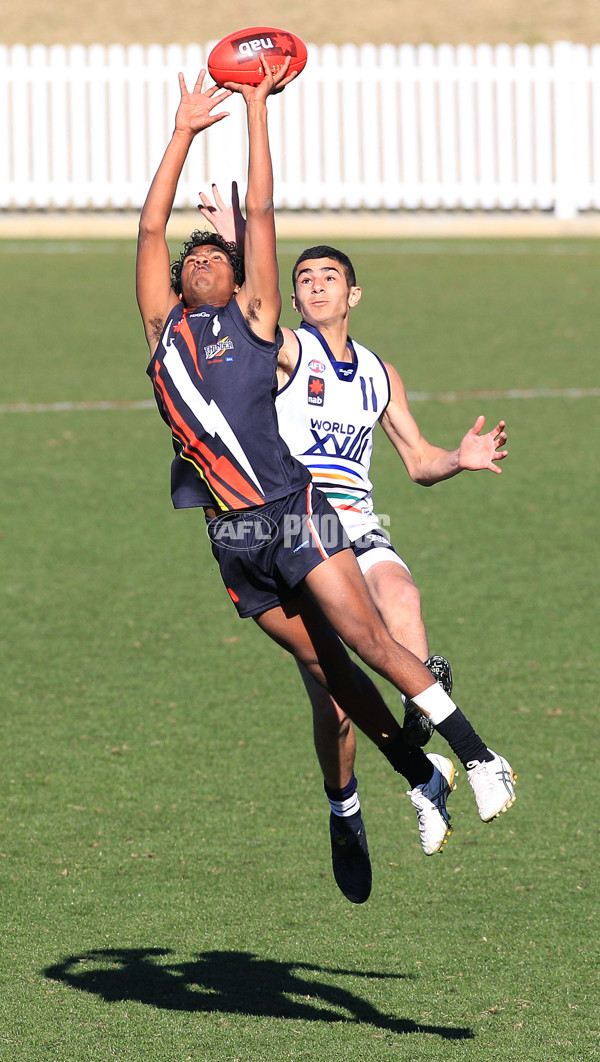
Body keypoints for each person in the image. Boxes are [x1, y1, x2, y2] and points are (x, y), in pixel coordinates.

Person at [136, 62, 516, 907]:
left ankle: (483, 758)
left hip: (295, 511)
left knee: (381, 643)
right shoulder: (163, 331)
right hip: (233, 540)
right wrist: (184, 132)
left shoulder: (261, 322)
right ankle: (413, 781)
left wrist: (258, 110)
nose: (200, 260)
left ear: (240, 281)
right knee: (332, 678)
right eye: (191, 258)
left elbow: (262, 217)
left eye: (216, 257)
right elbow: (149, 228)